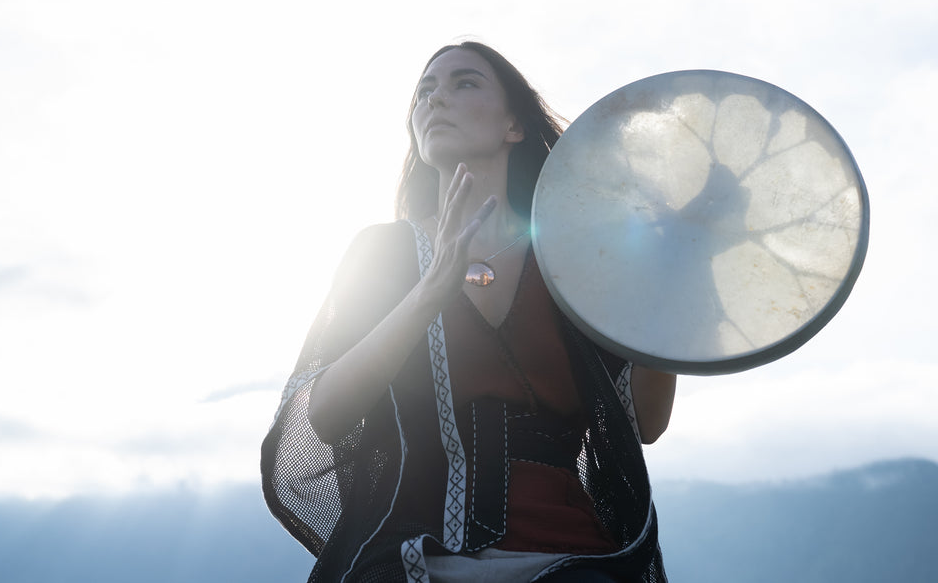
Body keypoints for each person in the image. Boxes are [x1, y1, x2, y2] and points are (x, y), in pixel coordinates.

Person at [262, 41, 677, 582]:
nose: (435, 100)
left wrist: (672, 287)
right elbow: (325, 415)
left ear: (514, 127)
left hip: (574, 558)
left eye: (464, 83)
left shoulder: (575, 264)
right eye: (424, 91)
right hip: (411, 555)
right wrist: (427, 296)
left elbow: (646, 422)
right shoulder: (382, 252)